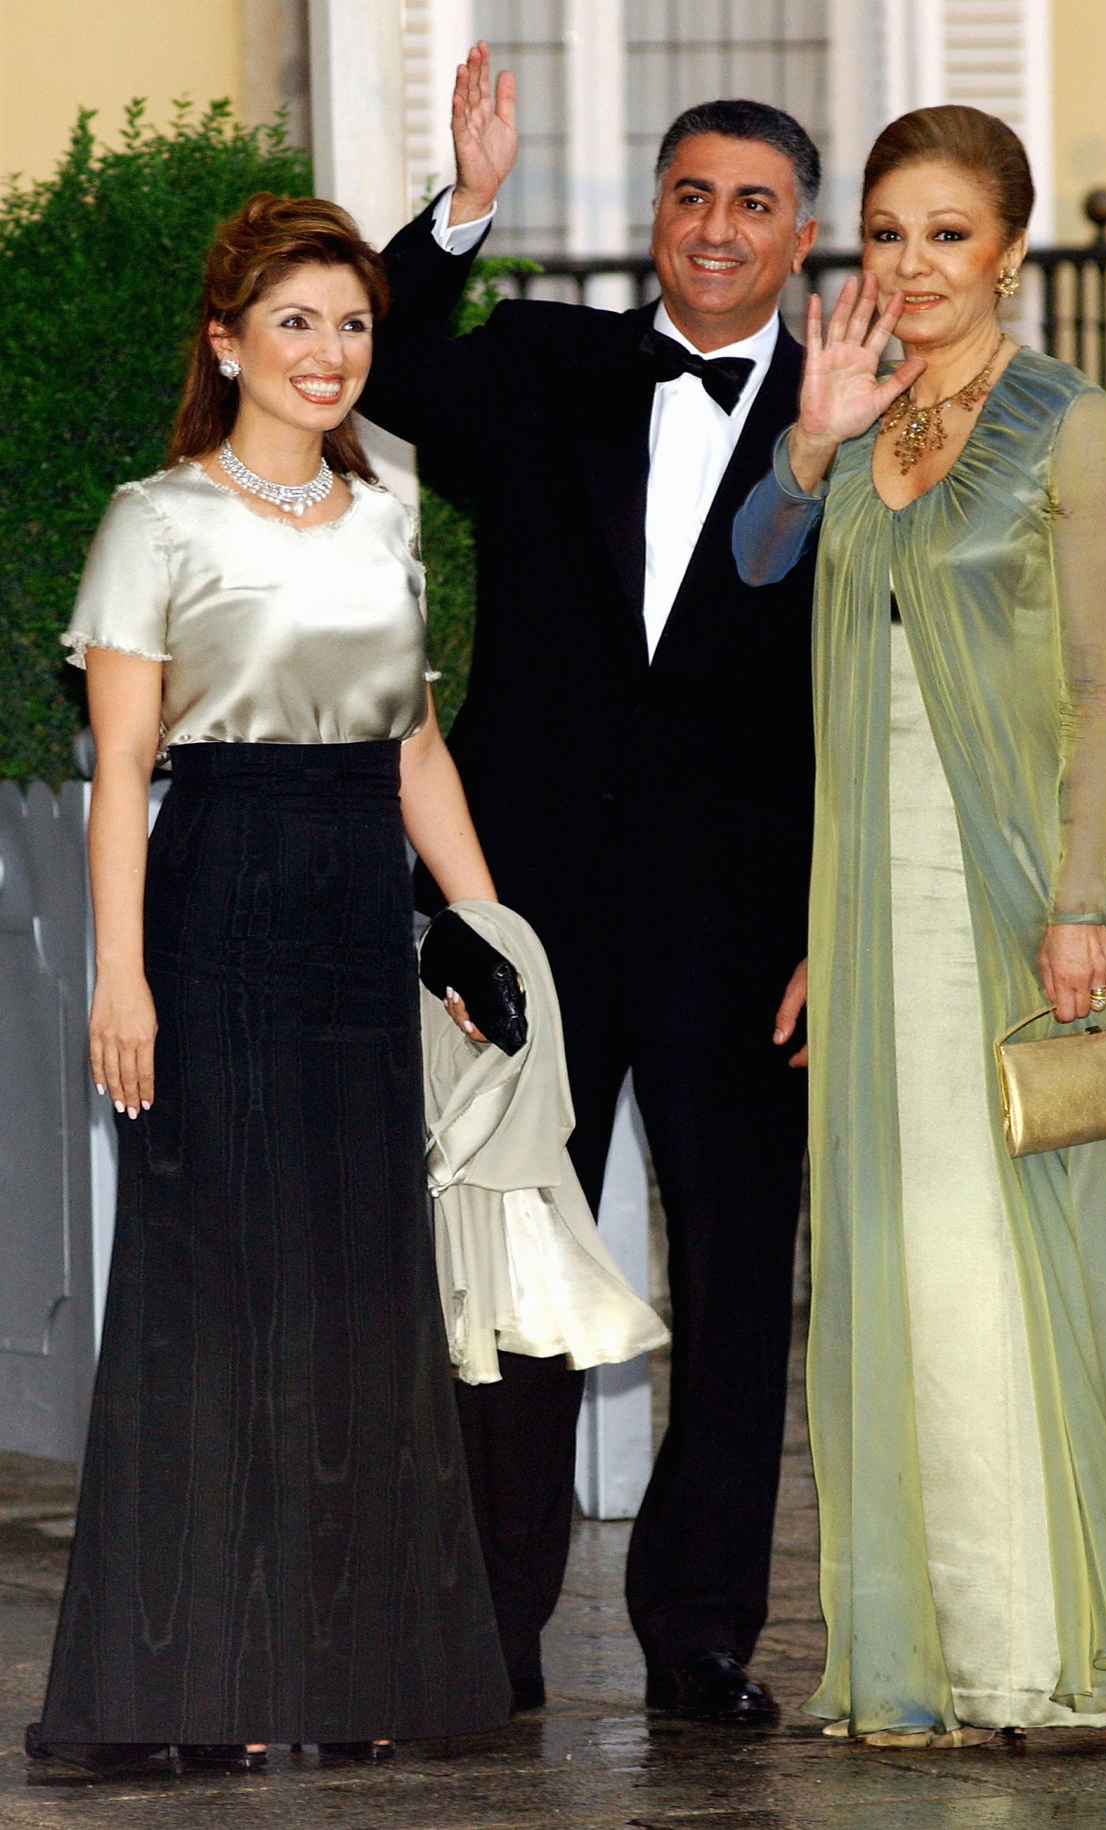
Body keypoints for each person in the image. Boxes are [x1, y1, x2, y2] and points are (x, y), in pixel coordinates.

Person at [357, 47, 820, 1720]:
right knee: (514, 1251)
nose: (714, 227)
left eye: (751, 203)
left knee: (738, 1266)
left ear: (802, 236)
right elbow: (378, 362)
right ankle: (492, 1625)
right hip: (530, 894)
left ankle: (701, 1630)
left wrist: (831, 923)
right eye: (690, 194)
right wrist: (462, 210)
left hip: (748, 921)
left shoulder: (861, 418)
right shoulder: (547, 364)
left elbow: (886, 691)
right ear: (652, 215)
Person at [28, 191, 513, 1776]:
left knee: (367, 1292)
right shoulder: (153, 519)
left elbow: (414, 741)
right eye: (296, 321)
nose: (331, 352)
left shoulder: (385, 515)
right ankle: (185, 1687)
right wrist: (126, 980)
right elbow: (117, 775)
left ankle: (359, 1672)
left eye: (355, 322)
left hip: (357, 917)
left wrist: (488, 930)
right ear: (226, 341)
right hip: (214, 901)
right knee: (211, 1296)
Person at [734, 104, 1106, 1744]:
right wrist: (808, 440)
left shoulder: (1071, 424)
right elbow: (760, 572)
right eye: (886, 231)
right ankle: (920, 1651)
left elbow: (1090, 691)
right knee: (891, 1268)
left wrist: (1080, 902)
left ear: (1009, 246)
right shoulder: (853, 416)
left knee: (1001, 1261)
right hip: (869, 909)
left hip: (1011, 893)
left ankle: (1036, 1646)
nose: (912, 265)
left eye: (946, 233)